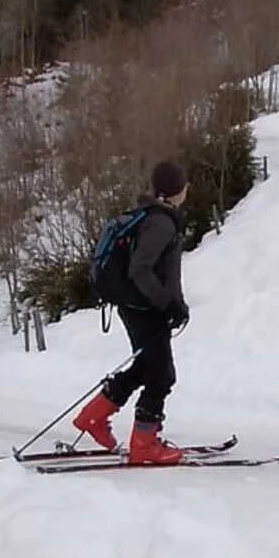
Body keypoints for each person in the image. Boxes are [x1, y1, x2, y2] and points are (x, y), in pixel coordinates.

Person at [71, 160, 192, 465]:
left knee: (145, 367)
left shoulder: (152, 216)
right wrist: (167, 302)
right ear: (180, 189)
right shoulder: (161, 222)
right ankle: (144, 444)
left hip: (138, 305)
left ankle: (92, 418)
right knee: (162, 374)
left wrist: (169, 302)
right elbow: (141, 269)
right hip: (145, 307)